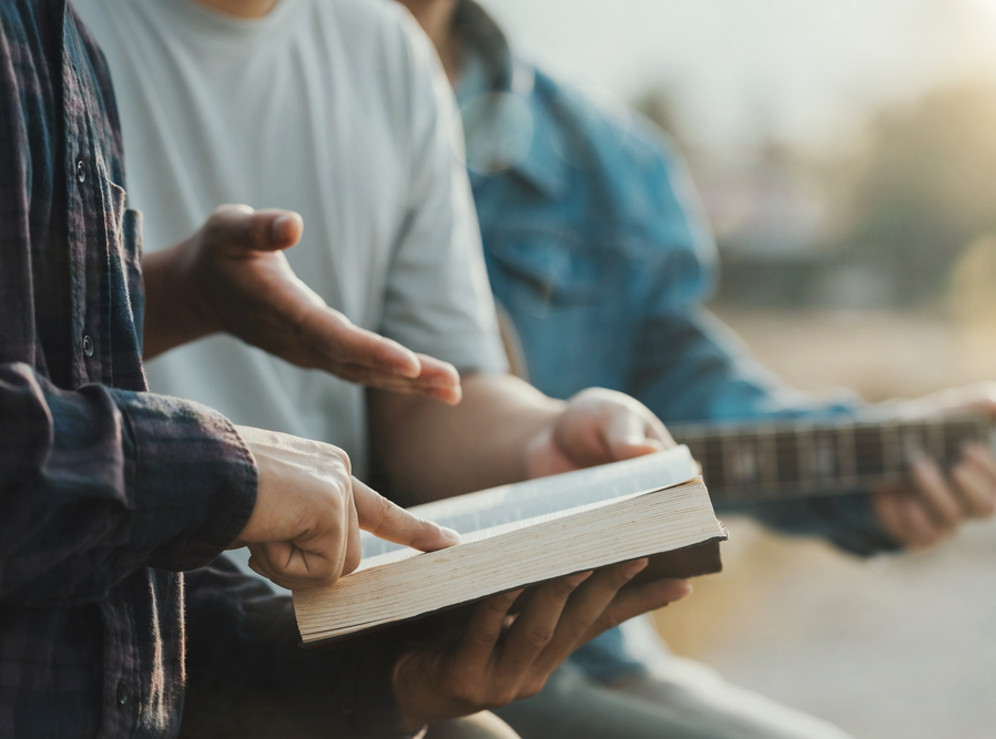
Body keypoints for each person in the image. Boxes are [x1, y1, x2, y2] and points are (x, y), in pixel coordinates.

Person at [0, 1, 689, 737]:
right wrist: (219, 467)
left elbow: (433, 390)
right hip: (146, 612)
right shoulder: (67, 35)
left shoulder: (382, 50)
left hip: (283, 623)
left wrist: (543, 438)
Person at [391, 2, 996, 738]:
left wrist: (865, 460)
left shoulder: (610, 161)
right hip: (310, 639)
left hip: (566, 650)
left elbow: (679, 396)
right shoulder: (262, 89)